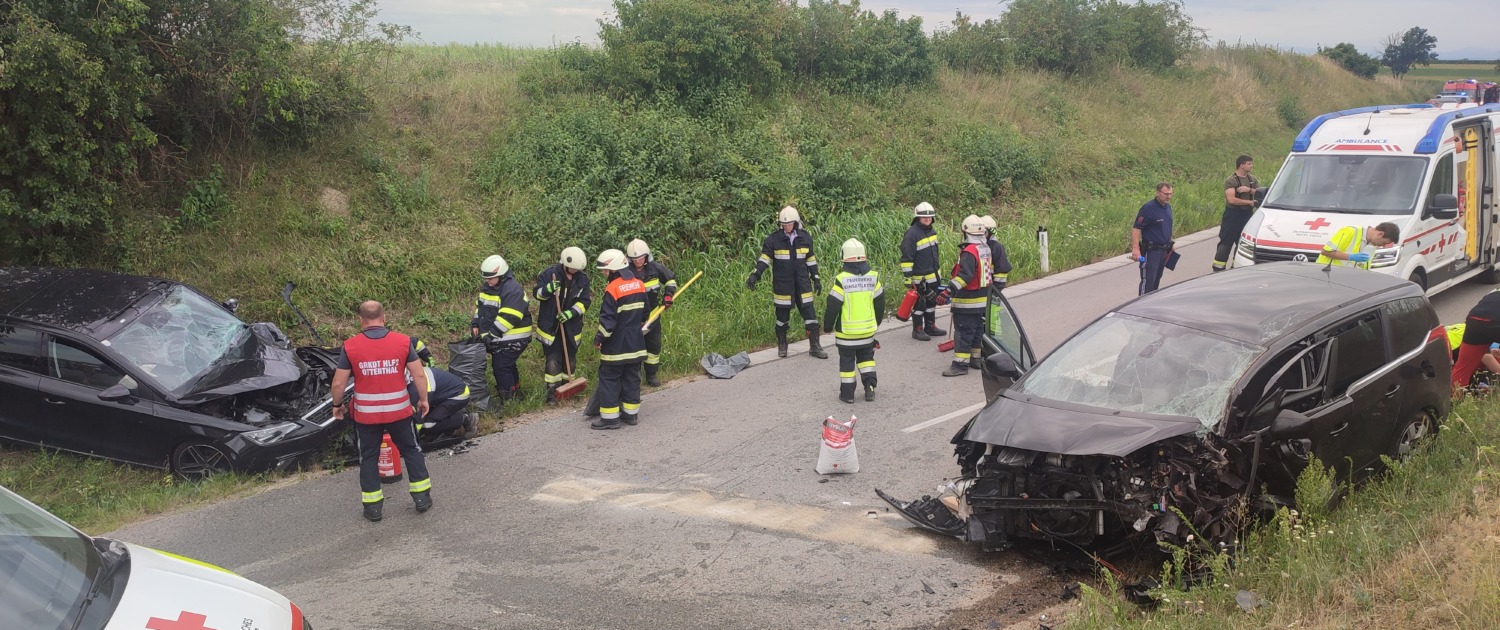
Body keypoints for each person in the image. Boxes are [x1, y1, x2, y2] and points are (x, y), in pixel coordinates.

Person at [329, 301, 433, 523]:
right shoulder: (403, 342)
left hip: (367, 416)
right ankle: (422, 498)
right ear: (384, 318)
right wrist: (423, 399)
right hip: (400, 413)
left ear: (361, 320)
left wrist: (337, 405)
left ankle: (373, 508)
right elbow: (419, 375)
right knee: (412, 451)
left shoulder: (351, 346)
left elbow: (338, 383)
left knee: (368, 457)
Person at [747, 206, 828, 359]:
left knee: (810, 316)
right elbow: (765, 259)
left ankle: (815, 347)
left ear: (796, 223)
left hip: (803, 284)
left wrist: (816, 278)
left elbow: (811, 260)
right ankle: (782, 346)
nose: (787, 227)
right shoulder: (774, 239)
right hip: (783, 285)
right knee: (782, 318)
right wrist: (756, 275)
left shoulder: (805, 238)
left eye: (789, 224)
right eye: (784, 224)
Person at [591, 249, 649, 430]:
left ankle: (610, 419)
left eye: (605, 270)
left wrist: (599, 339)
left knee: (609, 379)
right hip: (636, 344)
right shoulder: (639, 284)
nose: (603, 273)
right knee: (632, 378)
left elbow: (608, 322)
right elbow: (645, 312)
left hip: (616, 347)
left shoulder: (612, 289)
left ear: (614, 269)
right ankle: (631, 415)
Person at [825, 238, 885, 403]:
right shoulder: (873, 277)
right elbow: (880, 304)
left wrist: (828, 326)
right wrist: (876, 322)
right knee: (867, 360)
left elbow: (832, 305)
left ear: (844, 257)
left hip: (847, 334)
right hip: (867, 332)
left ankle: (848, 395)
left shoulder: (842, 279)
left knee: (847, 365)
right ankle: (870, 388)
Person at [472, 254, 533, 411]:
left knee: (501, 366)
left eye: (491, 278)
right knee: (507, 364)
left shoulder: (512, 290)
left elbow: (508, 318)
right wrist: (476, 323)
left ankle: (507, 400)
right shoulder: (488, 288)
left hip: (514, 337)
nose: (487, 281)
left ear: (501, 275)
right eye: (486, 278)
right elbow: (481, 308)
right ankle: (514, 391)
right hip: (501, 336)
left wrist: (490, 335)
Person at [535, 247, 591, 405]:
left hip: (571, 327)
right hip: (551, 327)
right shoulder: (549, 274)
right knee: (553, 360)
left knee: (570, 361)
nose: (575, 271)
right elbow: (537, 294)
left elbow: (585, 302)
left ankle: (568, 389)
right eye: (573, 268)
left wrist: (571, 313)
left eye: (578, 269)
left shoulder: (582, 279)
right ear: (565, 263)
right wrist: (547, 289)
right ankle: (552, 393)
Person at [938, 215, 993, 377]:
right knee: (976, 331)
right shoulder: (985, 248)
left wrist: (948, 291)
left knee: (963, 332)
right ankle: (975, 358)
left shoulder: (969, 252)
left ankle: (960, 365)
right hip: (982, 300)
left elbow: (965, 276)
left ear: (965, 231)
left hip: (967, 301)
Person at [627, 238, 678, 387]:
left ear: (646, 256)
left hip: (653, 314)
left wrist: (668, 295)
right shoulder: (625, 273)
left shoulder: (655, 269)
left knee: (654, 347)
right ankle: (634, 379)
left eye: (640, 258)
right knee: (634, 348)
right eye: (634, 259)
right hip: (634, 317)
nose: (638, 261)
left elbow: (671, 280)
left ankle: (651, 375)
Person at [899, 202, 945, 342]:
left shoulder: (932, 231)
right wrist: (908, 278)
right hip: (920, 279)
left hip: (933, 276)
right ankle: (917, 329)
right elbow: (907, 258)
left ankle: (930, 326)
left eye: (930, 217)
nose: (927, 219)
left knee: (931, 303)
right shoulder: (912, 234)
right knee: (920, 304)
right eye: (924, 217)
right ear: (917, 218)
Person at [973, 215, 1013, 367]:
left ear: (990, 232)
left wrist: (996, 290)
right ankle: (982, 345)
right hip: (981, 290)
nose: (981, 235)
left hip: (993, 290)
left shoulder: (996, 247)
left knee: (993, 320)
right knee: (981, 319)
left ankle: (995, 348)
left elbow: (1002, 271)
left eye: (984, 232)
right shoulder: (979, 247)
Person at [1213, 156, 1260, 272]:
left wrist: (1249, 190)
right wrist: (1250, 202)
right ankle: (1218, 269)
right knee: (1226, 242)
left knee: (1242, 243)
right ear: (1242, 165)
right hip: (1232, 216)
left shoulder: (1252, 180)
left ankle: (1236, 269)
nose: (1251, 166)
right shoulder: (1231, 180)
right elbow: (1231, 200)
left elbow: (1260, 194)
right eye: (1249, 164)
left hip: (1247, 215)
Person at [409, 365, 477, 442]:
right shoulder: (414, 374)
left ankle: (466, 419)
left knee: (428, 424)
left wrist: (413, 438)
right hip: (443, 395)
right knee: (425, 424)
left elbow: (420, 416)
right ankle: (442, 429)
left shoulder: (421, 388)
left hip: (458, 395)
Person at [1131, 183, 1175, 296]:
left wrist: (1170, 242)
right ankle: (1140, 309)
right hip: (1151, 252)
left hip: (1164, 251)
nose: (1169, 197)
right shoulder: (1148, 208)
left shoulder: (1167, 206)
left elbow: (1165, 226)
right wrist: (1135, 249)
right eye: (1166, 194)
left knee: (1156, 282)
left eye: (1171, 194)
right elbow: (1136, 228)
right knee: (1148, 282)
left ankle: (1149, 310)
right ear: (1158, 193)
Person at [1453, 291, 1500, 392]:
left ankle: (1454, 403)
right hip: (1494, 322)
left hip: (1474, 322)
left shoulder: (1493, 293)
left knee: (1462, 369)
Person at [1315, 222, 1400, 269]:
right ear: (1380, 234)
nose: (1383, 246)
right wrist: (1350, 257)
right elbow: (1325, 251)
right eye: (1384, 242)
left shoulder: (1372, 246)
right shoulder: (1350, 231)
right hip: (1326, 275)